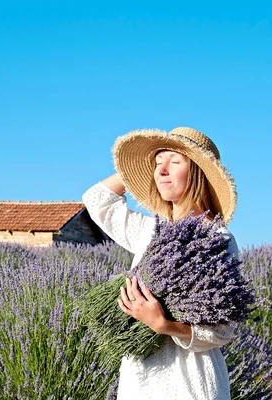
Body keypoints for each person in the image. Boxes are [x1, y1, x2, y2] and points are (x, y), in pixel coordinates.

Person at [82, 127, 240, 400]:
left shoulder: (217, 239)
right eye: (157, 164)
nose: (162, 170)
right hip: (140, 378)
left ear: (198, 173)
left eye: (175, 162)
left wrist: (163, 324)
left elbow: (222, 331)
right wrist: (137, 169)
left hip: (189, 381)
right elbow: (97, 200)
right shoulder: (149, 230)